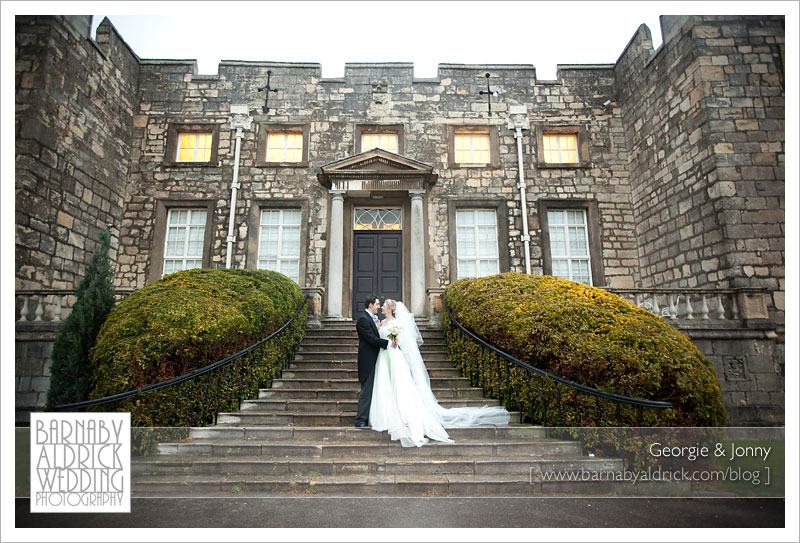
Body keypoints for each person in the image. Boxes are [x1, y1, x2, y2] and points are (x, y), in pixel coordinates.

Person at [369, 299, 510, 447]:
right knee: (385, 384)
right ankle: (385, 415)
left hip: (393, 356)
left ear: (390, 309)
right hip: (383, 358)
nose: (382, 308)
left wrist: (395, 339)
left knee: (399, 386)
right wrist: (379, 327)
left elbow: (400, 342)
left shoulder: (395, 324)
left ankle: (402, 416)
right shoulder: (382, 322)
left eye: (383, 306)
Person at [354, 295, 395, 428]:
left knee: (372, 389)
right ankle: (360, 420)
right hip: (368, 360)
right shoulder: (363, 320)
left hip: (375, 358)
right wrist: (388, 343)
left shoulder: (372, 319)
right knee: (366, 391)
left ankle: (366, 417)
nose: (379, 306)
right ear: (370, 305)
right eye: (377, 304)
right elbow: (371, 339)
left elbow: (374, 335)